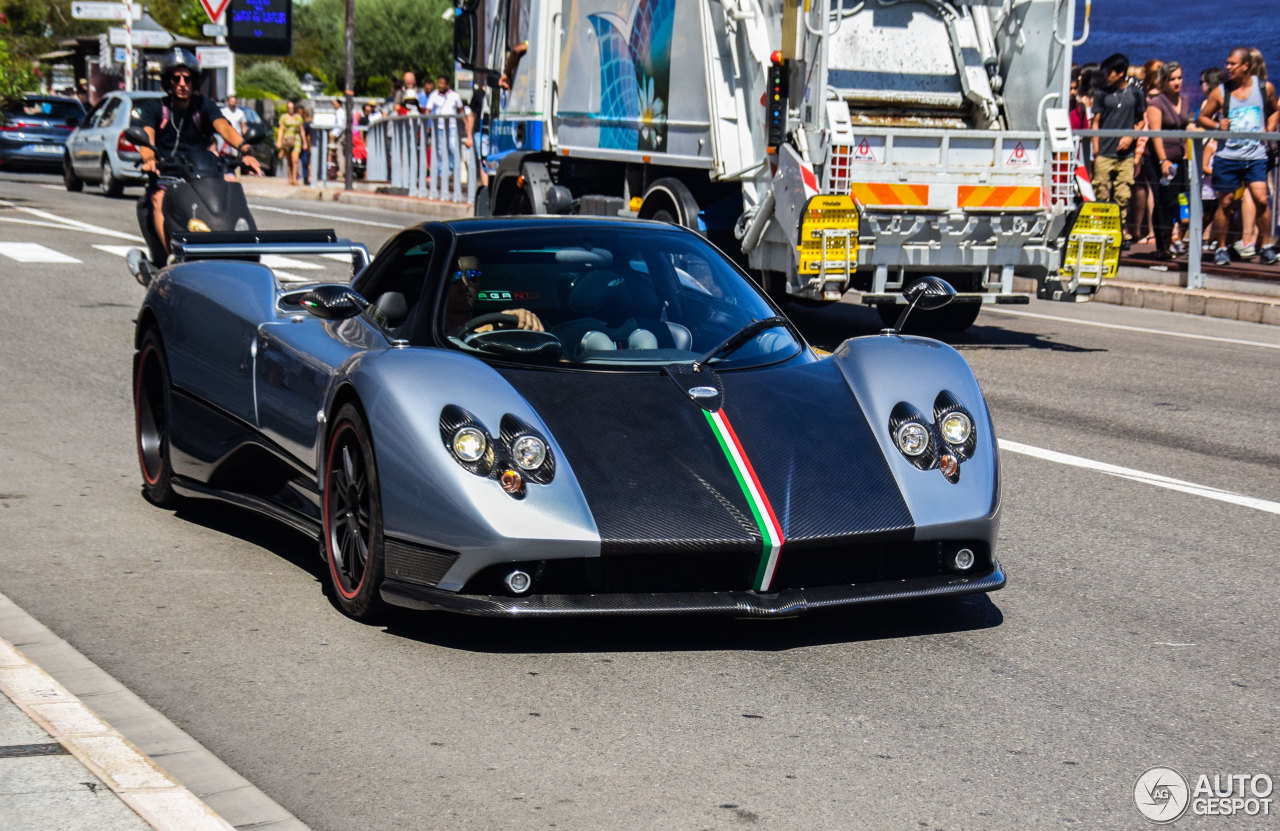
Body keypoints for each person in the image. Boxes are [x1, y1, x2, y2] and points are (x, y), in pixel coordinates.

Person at [135, 48, 262, 258]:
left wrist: (245, 149)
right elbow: (146, 137)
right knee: (158, 198)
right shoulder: (155, 108)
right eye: (176, 78)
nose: (182, 83)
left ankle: (242, 254)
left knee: (231, 185)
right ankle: (171, 257)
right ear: (168, 81)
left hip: (201, 175)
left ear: (194, 81)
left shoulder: (204, 106)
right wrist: (148, 158)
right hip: (168, 175)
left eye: (187, 78)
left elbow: (224, 127)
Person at [1197, 47, 1279, 265]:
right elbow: (1202, 118)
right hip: (1227, 156)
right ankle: (1222, 247)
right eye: (1227, 63)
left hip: (1256, 155)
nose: (1228, 68)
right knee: (1225, 203)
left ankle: (1266, 245)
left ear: (1246, 66)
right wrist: (1217, 125)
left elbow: (1274, 110)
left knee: (1261, 199)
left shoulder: (1264, 88)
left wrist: (1270, 128)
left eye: (1233, 64)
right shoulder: (1220, 92)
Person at [1091, 53, 1147, 249]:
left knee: (1123, 195)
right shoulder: (1102, 94)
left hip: (1125, 155)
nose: (1107, 76)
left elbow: (1141, 120)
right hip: (1105, 152)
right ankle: (1101, 231)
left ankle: (1118, 232)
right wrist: (1096, 151)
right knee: (1102, 192)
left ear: (1121, 73)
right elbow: (1096, 122)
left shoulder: (1135, 94)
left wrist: (1130, 136)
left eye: (1110, 72)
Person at [1146, 62, 1191, 260]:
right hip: (1159, 158)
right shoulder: (1157, 103)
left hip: (1179, 158)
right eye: (1172, 79)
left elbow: (1186, 127)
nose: (1176, 82)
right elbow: (1155, 134)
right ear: (1163, 81)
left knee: (1174, 200)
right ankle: (1161, 245)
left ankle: (1171, 241)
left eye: (1179, 78)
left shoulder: (1185, 100)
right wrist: (1163, 160)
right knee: (1162, 200)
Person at [444, 256, 543, 336]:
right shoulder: (430, 331)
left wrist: (523, 320)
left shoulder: (497, 333)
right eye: (454, 276)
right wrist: (491, 326)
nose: (465, 285)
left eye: (473, 275)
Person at [1129, 59, 1163, 247]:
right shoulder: (1165, 98)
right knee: (1155, 191)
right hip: (1163, 147)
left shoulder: (1146, 98)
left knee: (1143, 188)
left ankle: (1143, 230)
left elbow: (1145, 129)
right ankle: (1154, 231)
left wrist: (1138, 153)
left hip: (1147, 148)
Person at [426, 74, 466, 180]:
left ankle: (451, 170)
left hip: (452, 127)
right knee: (439, 150)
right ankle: (440, 173)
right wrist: (427, 124)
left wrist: (465, 125)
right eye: (439, 83)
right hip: (438, 127)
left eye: (442, 84)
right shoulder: (434, 95)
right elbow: (428, 111)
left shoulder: (454, 96)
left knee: (452, 148)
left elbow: (461, 110)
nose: (440, 86)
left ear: (447, 84)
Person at [275, 99, 304, 185]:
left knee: (295, 160)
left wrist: (305, 142)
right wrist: (279, 141)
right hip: (287, 140)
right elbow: (281, 130)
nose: (291, 109)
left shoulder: (298, 117)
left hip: (296, 139)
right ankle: (290, 178)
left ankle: (295, 178)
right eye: (289, 107)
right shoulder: (283, 117)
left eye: (292, 107)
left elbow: (302, 130)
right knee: (289, 161)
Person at [329, 98, 347, 180]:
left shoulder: (340, 112)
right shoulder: (339, 112)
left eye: (334, 104)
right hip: (341, 134)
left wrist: (334, 134)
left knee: (340, 152)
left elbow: (340, 125)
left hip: (341, 135)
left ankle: (342, 171)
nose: (333, 106)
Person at [299, 106, 313, 186]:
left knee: (306, 162)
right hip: (297, 143)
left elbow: (309, 136)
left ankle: (306, 177)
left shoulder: (307, 123)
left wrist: (308, 145)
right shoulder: (297, 121)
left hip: (305, 145)